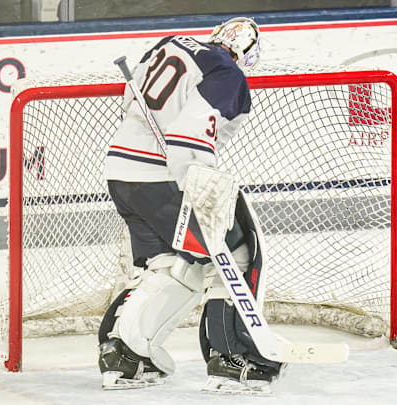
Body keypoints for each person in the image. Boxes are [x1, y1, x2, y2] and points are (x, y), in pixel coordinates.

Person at [97, 17, 284, 393]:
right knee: (237, 251)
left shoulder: (172, 43)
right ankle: (235, 360)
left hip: (121, 170)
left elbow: (132, 98)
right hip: (166, 176)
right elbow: (189, 133)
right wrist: (199, 184)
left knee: (171, 264)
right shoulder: (228, 73)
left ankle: (127, 356)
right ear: (248, 54)